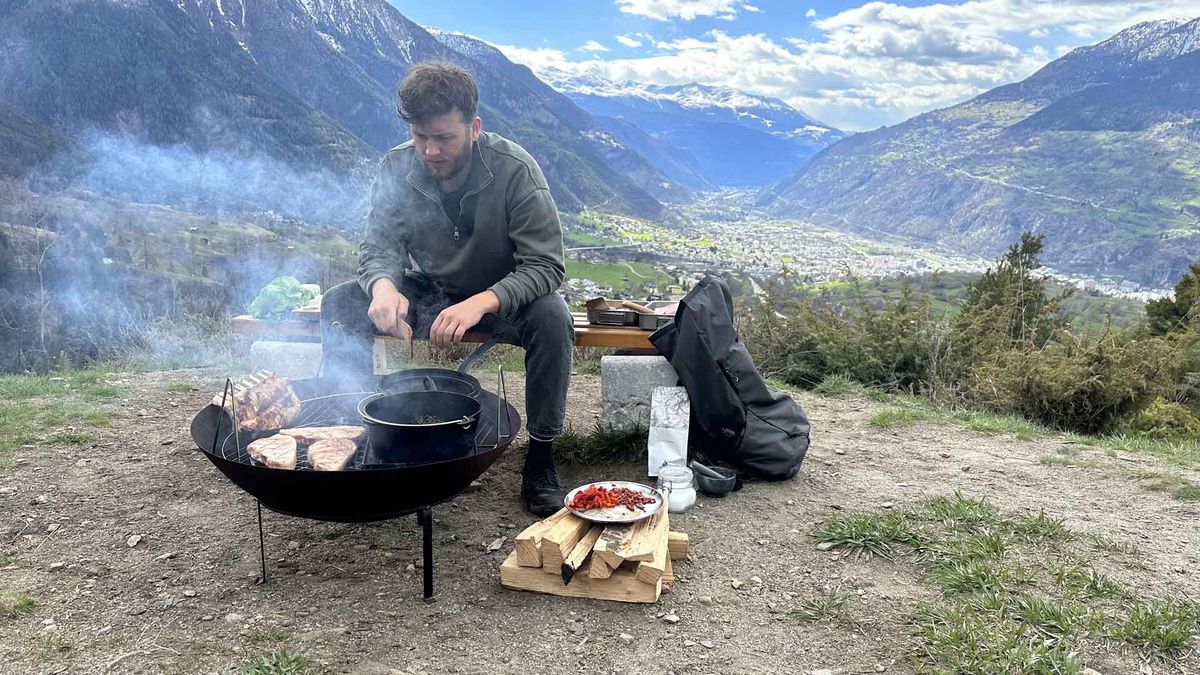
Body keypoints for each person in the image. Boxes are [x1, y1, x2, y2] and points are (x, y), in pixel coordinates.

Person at [320, 61, 574, 516]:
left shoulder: (515, 170)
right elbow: (378, 246)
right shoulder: (397, 168)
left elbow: (545, 265)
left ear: (474, 127)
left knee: (553, 317)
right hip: (432, 292)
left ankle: (541, 456)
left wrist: (482, 302)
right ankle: (356, 431)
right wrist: (382, 287)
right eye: (421, 137)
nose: (431, 151)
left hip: (500, 297)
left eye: (444, 138)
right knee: (341, 301)